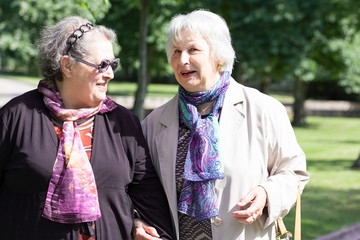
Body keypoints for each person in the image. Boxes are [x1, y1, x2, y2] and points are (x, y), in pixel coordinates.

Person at [0, 16, 174, 240]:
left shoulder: (123, 124)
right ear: (67, 66)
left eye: (113, 64)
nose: (110, 73)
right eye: (101, 65)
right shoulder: (16, 117)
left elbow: (148, 197)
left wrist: (138, 221)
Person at [141, 9, 310, 240]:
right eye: (176, 51)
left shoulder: (264, 109)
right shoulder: (154, 123)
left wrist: (267, 194)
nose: (182, 60)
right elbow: (140, 189)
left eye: (193, 50)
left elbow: (294, 172)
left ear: (219, 55)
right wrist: (137, 220)